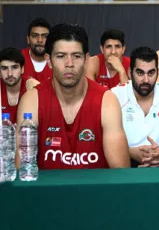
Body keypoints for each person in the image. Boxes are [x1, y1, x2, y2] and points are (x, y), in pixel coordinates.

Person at [16, 23, 130, 169]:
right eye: (61, 56)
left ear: (86, 59)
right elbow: (22, 171)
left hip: (95, 191)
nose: (69, 64)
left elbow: (120, 173)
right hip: (46, 192)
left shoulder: (106, 100)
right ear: (49, 60)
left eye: (76, 56)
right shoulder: (32, 100)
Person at [112, 46, 159, 168]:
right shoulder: (114, 96)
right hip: (124, 163)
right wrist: (129, 151)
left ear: (158, 72)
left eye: (151, 73)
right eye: (140, 73)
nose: (146, 80)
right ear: (129, 73)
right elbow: (100, 138)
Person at [0, 47, 39, 124]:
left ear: (22, 69)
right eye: (4, 68)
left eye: (14, 67)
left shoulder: (32, 85)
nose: (10, 74)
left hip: (26, 135)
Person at [21, 17, 53, 82]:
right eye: (35, 36)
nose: (40, 40)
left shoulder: (58, 60)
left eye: (45, 36)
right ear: (28, 39)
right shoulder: (17, 58)